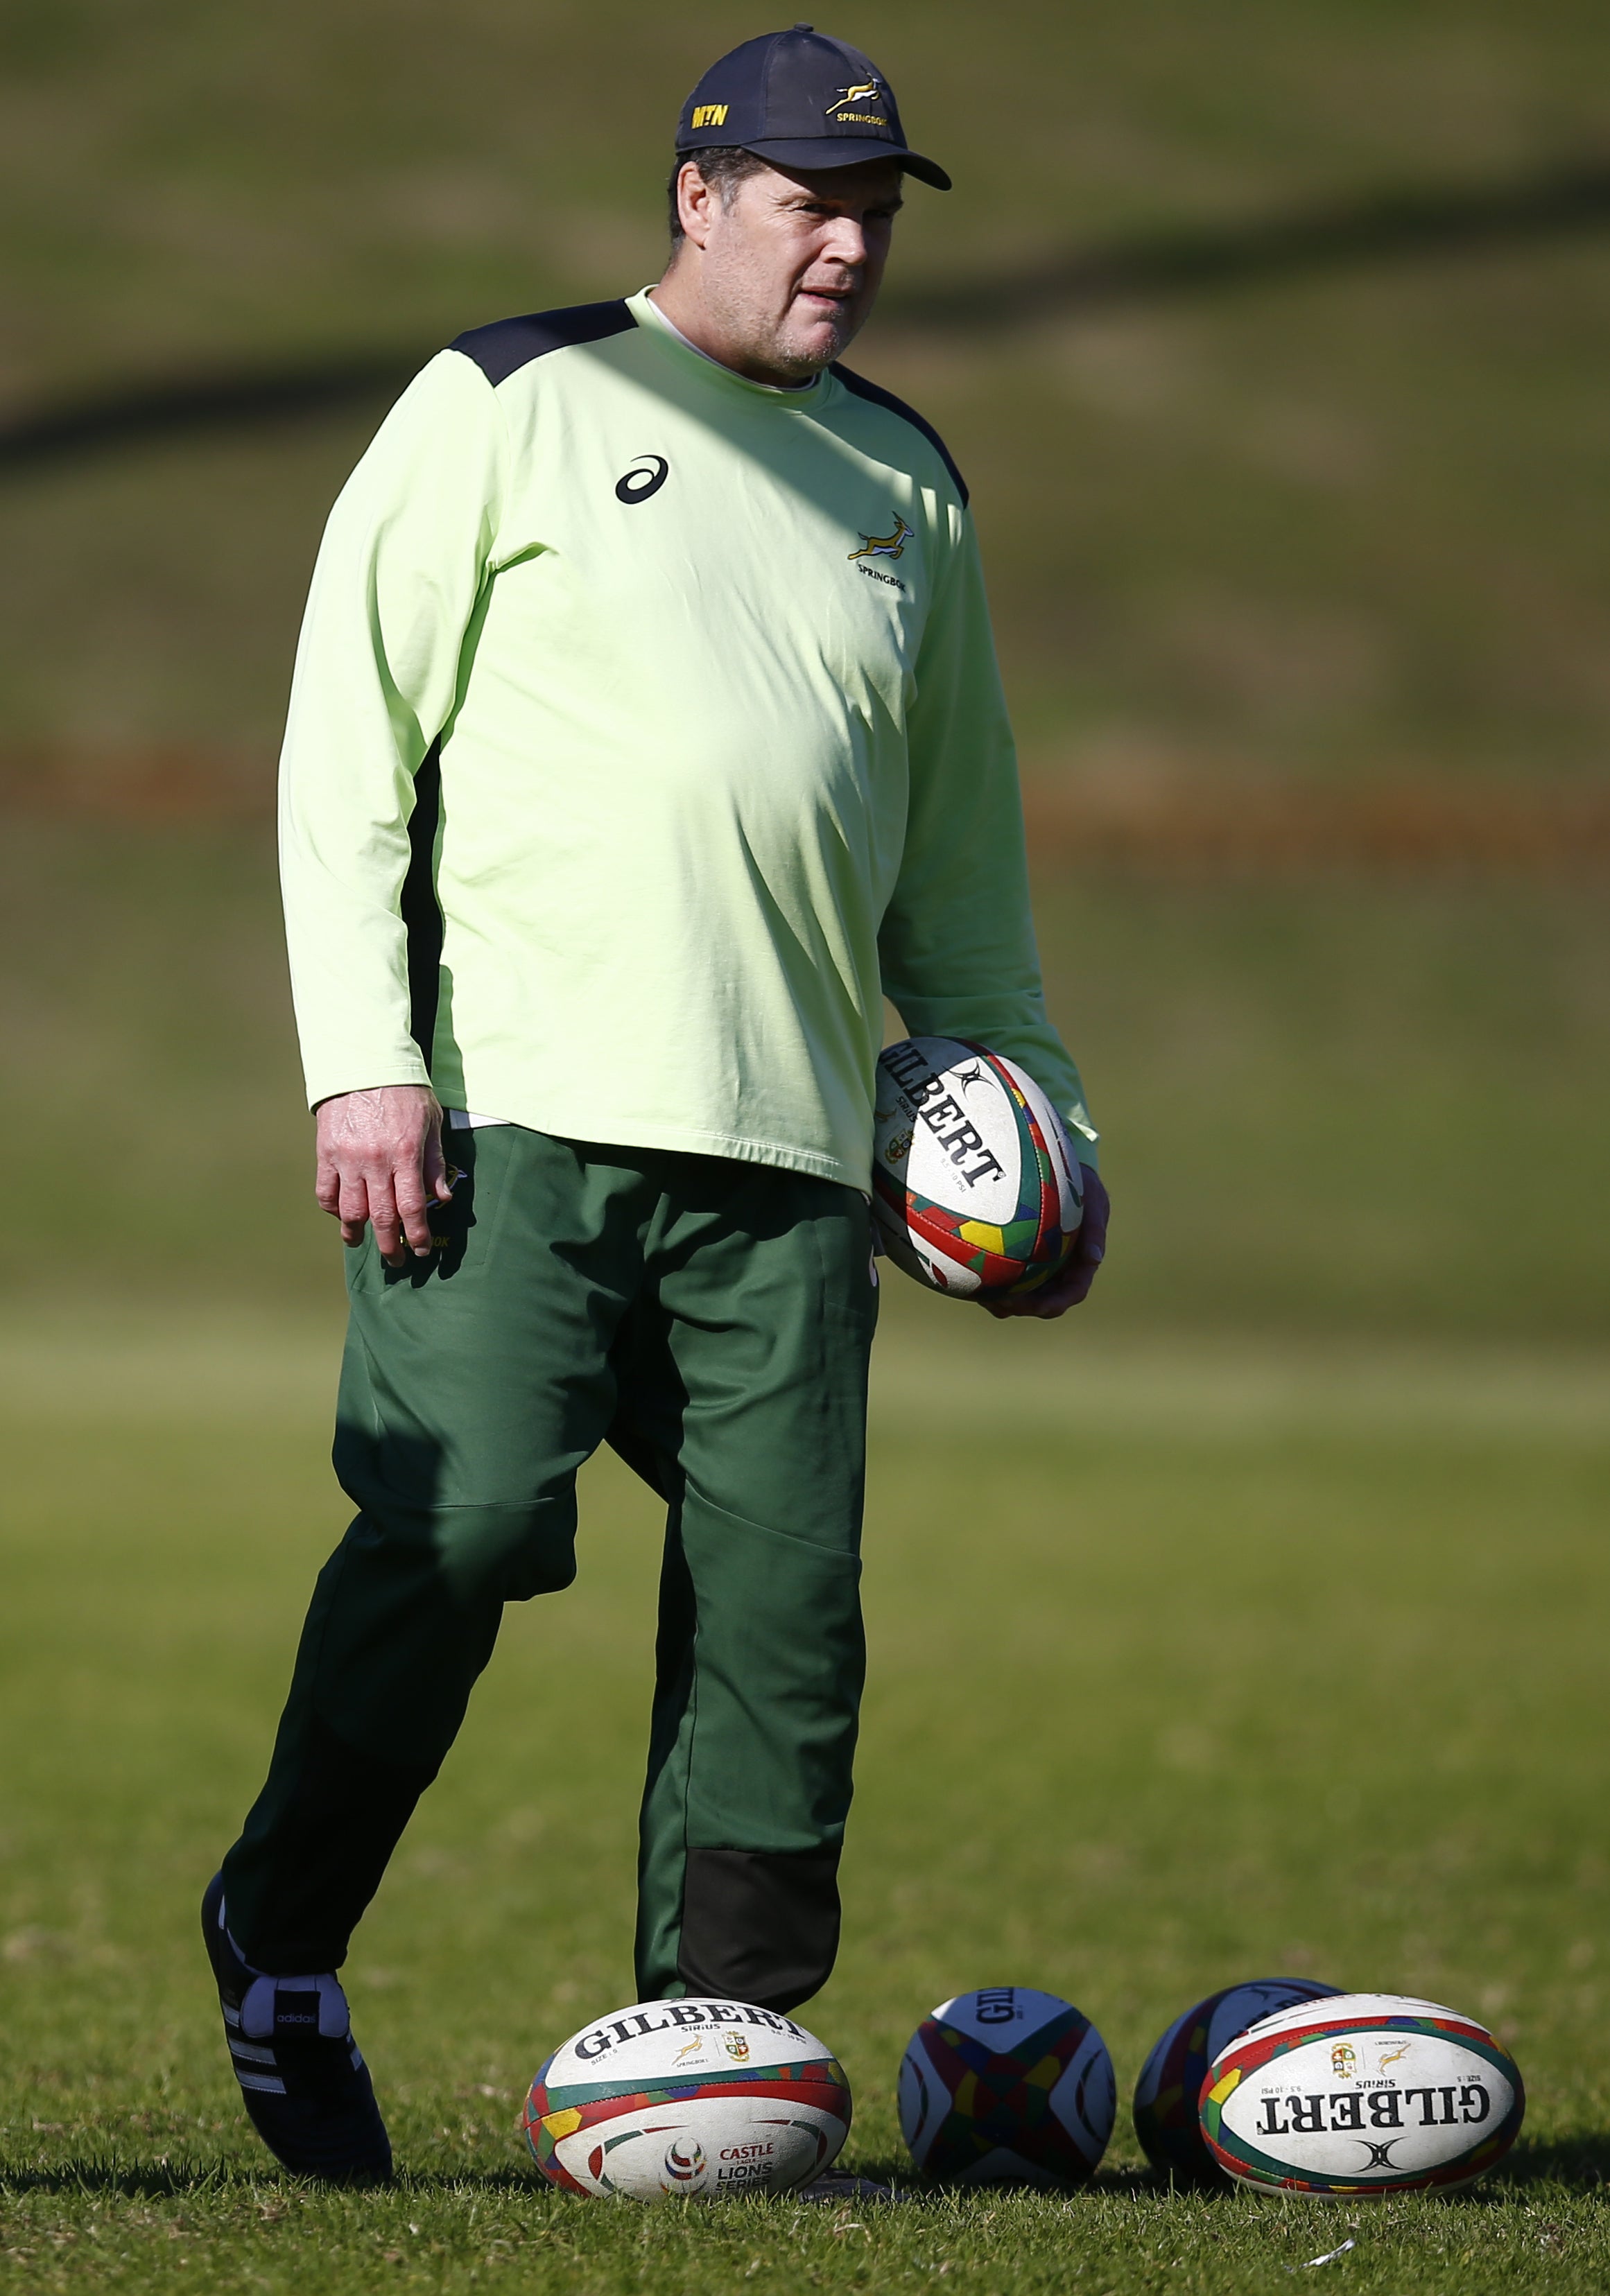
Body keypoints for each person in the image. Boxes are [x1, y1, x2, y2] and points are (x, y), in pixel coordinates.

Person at [202, 21, 1108, 2182]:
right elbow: (350, 752)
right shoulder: (512, 398)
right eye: (810, 200)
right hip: (512, 1110)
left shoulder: (907, 478)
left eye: (874, 207)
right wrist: (366, 1064)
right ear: (697, 197)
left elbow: (960, 875)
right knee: (476, 1515)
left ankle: (706, 2062)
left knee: (787, 1620)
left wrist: (1045, 1134)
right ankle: (282, 1932)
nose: (846, 244)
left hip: (796, 1154)